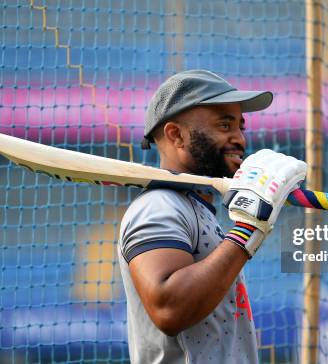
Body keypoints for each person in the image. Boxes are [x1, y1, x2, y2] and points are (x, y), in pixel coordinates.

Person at [117, 70, 307, 363]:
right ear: (176, 135)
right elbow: (169, 309)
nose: (240, 139)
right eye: (224, 124)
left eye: (240, 127)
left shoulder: (196, 210)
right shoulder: (159, 206)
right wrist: (248, 227)